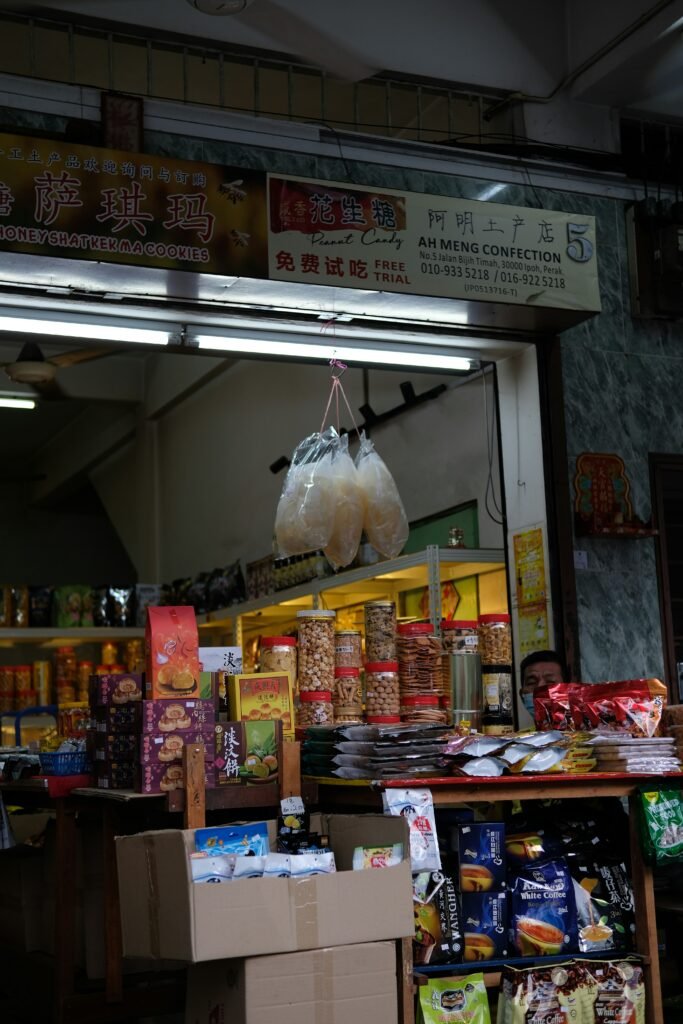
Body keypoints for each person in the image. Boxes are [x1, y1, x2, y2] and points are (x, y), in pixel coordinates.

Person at [519, 649, 569, 718]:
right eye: (532, 683)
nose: (540, 688)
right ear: (522, 696)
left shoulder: (583, 728)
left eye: (550, 682)